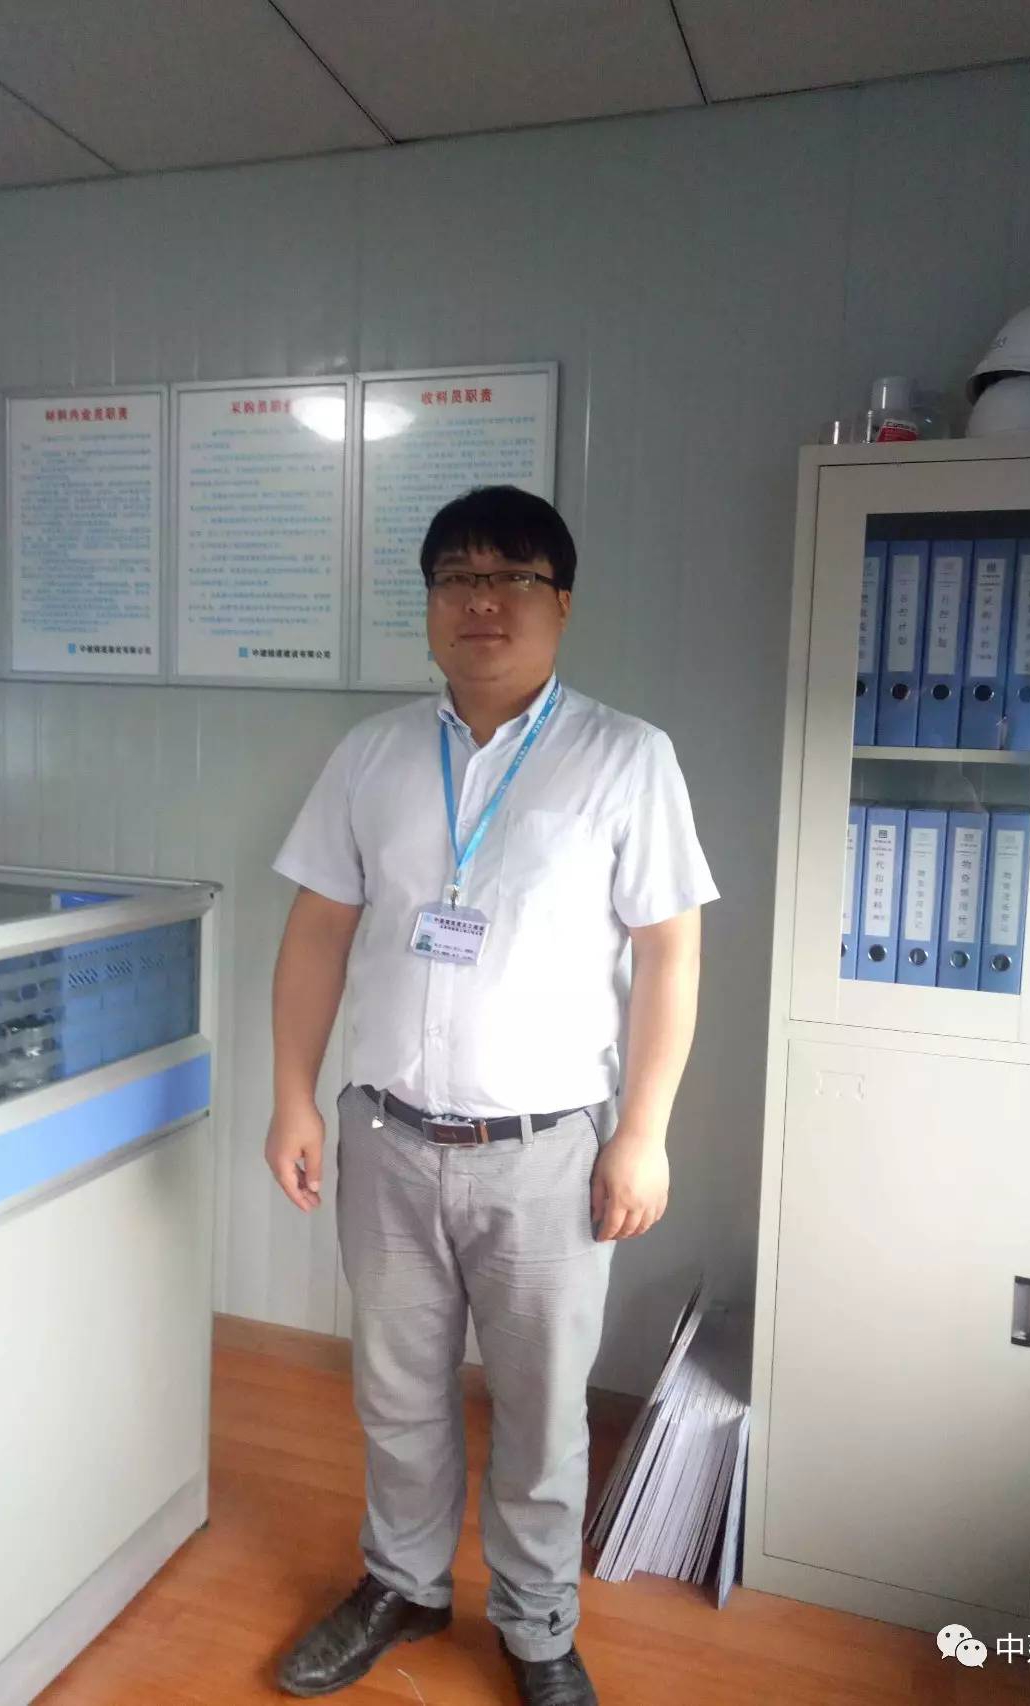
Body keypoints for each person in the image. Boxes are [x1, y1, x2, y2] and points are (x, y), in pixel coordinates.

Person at [266, 484, 718, 1703]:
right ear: (428, 604)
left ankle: (536, 1624)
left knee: (542, 1410)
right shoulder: (371, 755)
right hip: (386, 1135)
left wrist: (643, 1132)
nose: (482, 600)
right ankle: (403, 1583)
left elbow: (669, 954)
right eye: (457, 577)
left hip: (544, 1151)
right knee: (396, 1392)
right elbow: (315, 933)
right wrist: (293, 1096)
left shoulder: (625, 756)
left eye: (513, 576)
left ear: (560, 603)